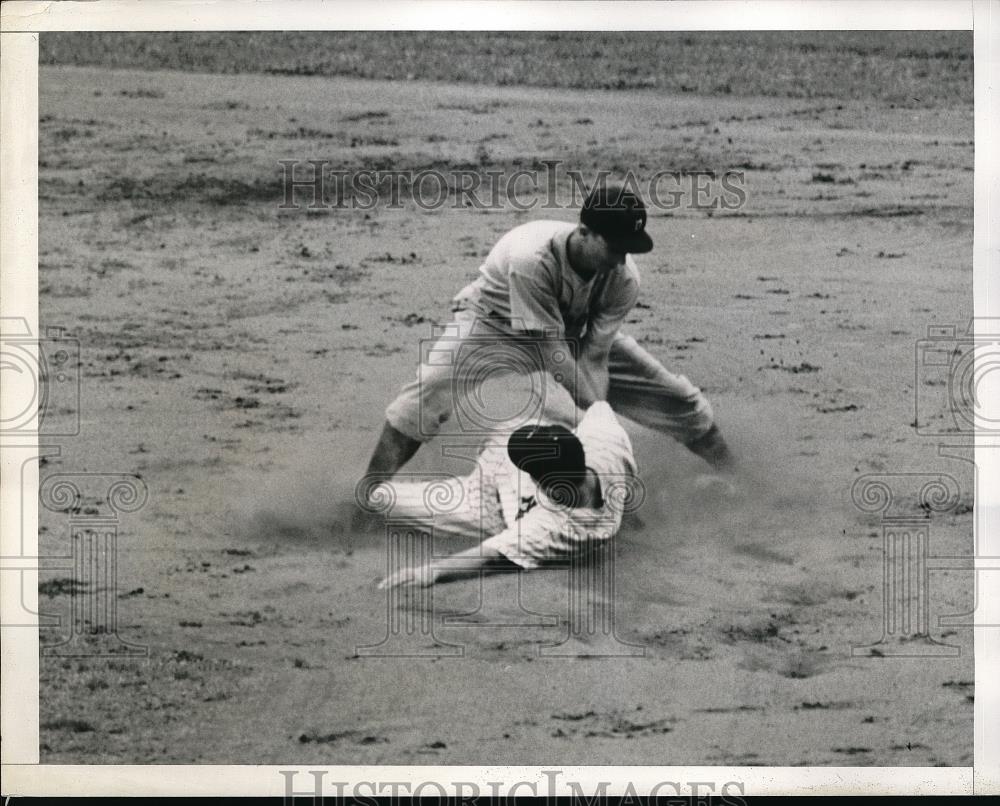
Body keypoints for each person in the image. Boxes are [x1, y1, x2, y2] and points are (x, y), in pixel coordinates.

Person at [362, 178, 735, 490]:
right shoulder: (532, 258)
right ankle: (369, 495)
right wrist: (599, 424)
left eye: (628, 249)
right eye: (615, 247)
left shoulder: (622, 277)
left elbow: (594, 357)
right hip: (494, 325)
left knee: (677, 398)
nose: (621, 259)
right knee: (429, 390)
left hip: (569, 331)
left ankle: (737, 476)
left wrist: (599, 420)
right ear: (584, 232)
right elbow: (551, 352)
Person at [374, 400, 637, 589]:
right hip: (516, 442)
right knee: (531, 421)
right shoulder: (607, 445)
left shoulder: (551, 529)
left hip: (486, 504)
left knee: (380, 498)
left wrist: (432, 571)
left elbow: (489, 556)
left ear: (549, 488)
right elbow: (599, 407)